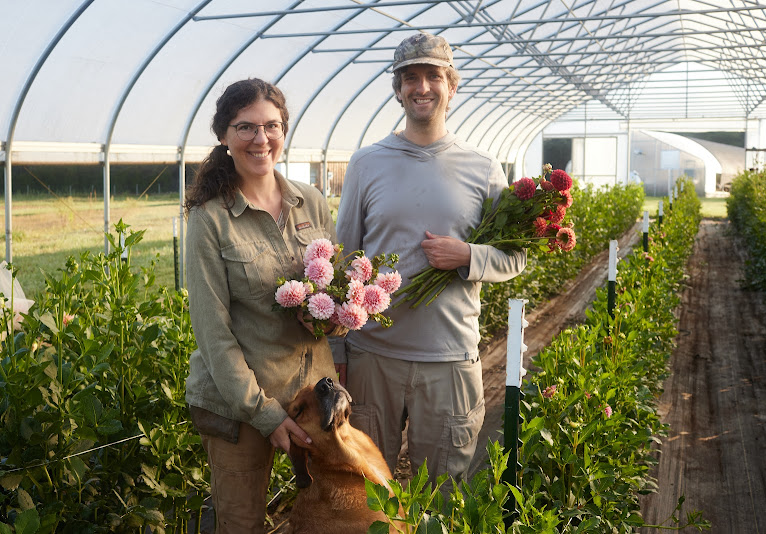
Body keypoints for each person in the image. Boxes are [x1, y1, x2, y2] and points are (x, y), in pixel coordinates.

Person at [334, 33, 527, 487]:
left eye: (433, 77)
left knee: (442, 496)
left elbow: (515, 257)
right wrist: (338, 351)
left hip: (450, 361)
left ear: (452, 86)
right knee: (364, 492)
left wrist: (468, 256)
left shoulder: (482, 167)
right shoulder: (366, 163)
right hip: (372, 358)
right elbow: (343, 262)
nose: (422, 87)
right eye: (411, 78)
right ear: (398, 89)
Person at [183, 78, 338, 533]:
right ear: (224, 135)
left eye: (271, 126)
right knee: (242, 523)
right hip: (241, 406)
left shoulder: (309, 201)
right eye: (245, 127)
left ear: (284, 130)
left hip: (312, 397)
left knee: (325, 517)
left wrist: (344, 316)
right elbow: (214, 335)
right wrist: (264, 413)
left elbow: (333, 288)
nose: (260, 138)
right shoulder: (210, 219)